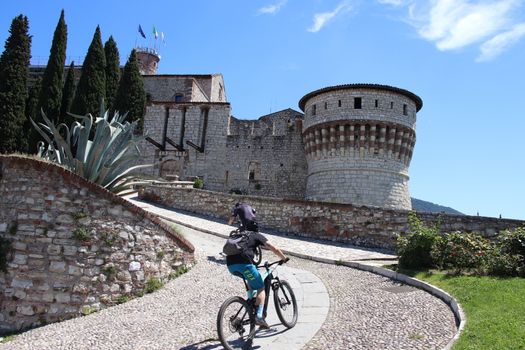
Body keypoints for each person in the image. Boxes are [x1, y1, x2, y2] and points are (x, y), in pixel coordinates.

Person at [226, 204, 288, 329]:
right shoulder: (256, 235)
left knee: (250, 279)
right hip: (245, 265)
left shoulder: (239, 234)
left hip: (231, 266)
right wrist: (283, 258)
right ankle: (259, 316)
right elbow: (273, 248)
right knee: (260, 287)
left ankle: (249, 302)